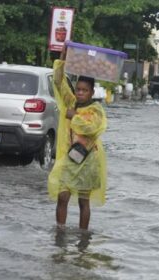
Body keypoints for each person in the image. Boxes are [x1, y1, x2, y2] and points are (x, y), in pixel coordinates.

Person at [48, 46, 108, 230]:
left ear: (91, 92)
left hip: (88, 161)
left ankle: (83, 237)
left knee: (84, 201)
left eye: (85, 90)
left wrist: (73, 116)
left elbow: (91, 128)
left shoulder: (96, 110)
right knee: (62, 196)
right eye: (79, 89)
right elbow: (58, 82)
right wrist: (62, 59)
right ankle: (60, 231)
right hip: (70, 159)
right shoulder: (70, 102)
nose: (80, 93)